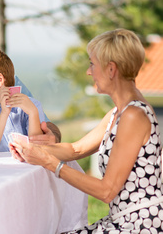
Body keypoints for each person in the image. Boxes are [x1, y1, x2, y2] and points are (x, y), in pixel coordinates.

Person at [10, 29, 163, 232]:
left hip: (140, 226)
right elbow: (76, 149)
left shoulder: (133, 116)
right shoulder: (118, 113)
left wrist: (48, 162)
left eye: (92, 64)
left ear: (111, 69)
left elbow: (106, 191)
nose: (88, 72)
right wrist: (30, 149)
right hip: (126, 220)